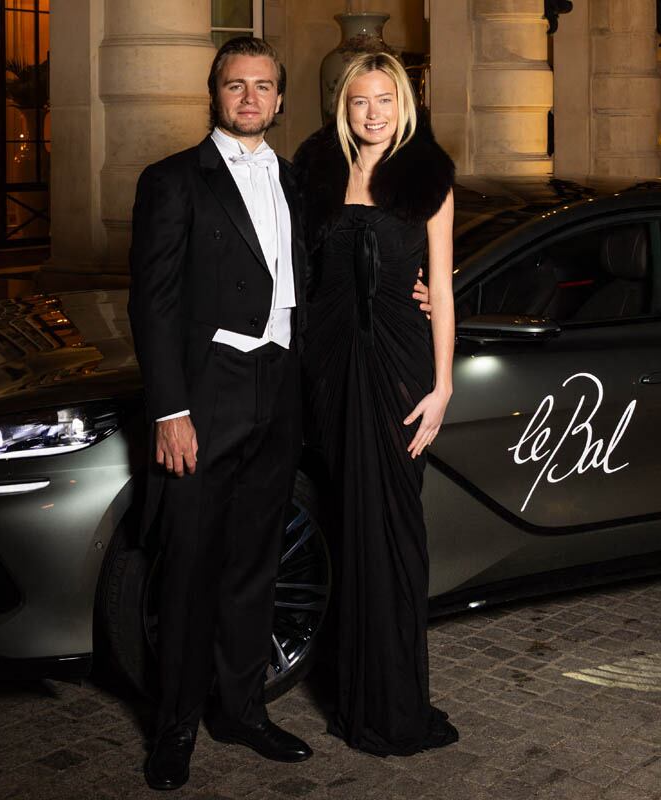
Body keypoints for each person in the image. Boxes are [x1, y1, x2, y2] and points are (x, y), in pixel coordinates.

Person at [127, 37, 311, 791]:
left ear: (279, 98)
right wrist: (170, 410)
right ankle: (174, 729)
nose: (250, 98)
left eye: (263, 86)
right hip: (207, 396)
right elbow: (153, 303)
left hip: (279, 389)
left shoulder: (295, 179)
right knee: (190, 570)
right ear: (215, 93)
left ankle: (241, 710)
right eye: (236, 85)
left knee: (254, 565)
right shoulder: (173, 180)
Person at [294, 51, 459, 756]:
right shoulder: (315, 173)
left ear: (404, 105)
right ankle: (354, 695)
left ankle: (395, 703)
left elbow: (441, 288)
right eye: (361, 100)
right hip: (330, 366)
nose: (373, 113)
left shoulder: (428, 176)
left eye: (385, 100)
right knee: (347, 525)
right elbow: (295, 273)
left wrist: (443, 386)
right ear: (344, 107)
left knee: (394, 528)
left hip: (399, 366)